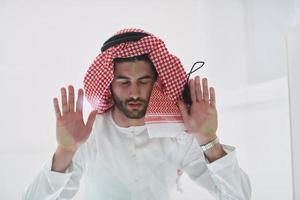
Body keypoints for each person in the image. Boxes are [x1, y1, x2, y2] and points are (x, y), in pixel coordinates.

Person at [23, 28, 251, 200]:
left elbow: (238, 196)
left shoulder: (178, 133)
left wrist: (208, 139)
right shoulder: (88, 135)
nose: (134, 92)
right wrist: (65, 150)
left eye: (143, 81)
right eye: (123, 81)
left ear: (157, 83)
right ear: (108, 85)